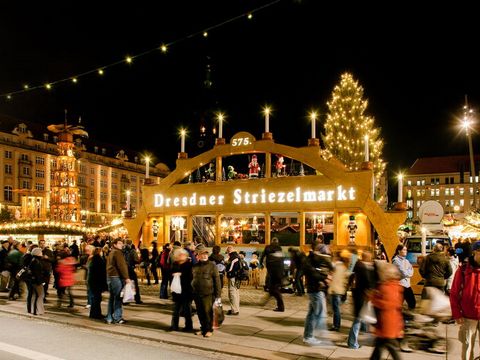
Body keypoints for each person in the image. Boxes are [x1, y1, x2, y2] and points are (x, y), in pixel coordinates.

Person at [450, 240, 480, 360]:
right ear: (475, 252)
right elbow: (454, 293)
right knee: (467, 346)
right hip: (468, 315)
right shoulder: (463, 270)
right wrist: (457, 314)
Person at [369, 263, 404, 360]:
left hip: (388, 322)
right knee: (379, 346)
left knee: (390, 346)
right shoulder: (393, 285)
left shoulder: (388, 287)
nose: (381, 274)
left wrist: (375, 300)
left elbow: (390, 304)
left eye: (383, 272)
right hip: (388, 321)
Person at [302, 243, 333, 346]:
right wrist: (324, 279)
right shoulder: (315, 260)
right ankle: (319, 334)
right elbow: (314, 274)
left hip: (314, 289)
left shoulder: (312, 259)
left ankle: (308, 336)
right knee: (319, 313)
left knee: (312, 314)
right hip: (316, 290)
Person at [347, 250, 376, 349]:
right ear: (366, 257)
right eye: (369, 257)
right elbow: (368, 282)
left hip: (360, 295)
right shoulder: (363, 267)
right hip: (362, 296)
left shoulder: (359, 266)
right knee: (358, 320)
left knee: (361, 318)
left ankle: (363, 333)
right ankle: (352, 343)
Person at [191, 244, 221, 337]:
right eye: (202, 254)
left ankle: (209, 330)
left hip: (208, 294)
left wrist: (218, 296)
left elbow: (217, 281)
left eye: (206, 254)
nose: (204, 256)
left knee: (208, 313)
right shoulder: (195, 266)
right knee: (200, 313)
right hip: (197, 294)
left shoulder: (212, 266)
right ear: (198, 256)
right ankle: (203, 328)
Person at [105, 238, 131, 324]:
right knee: (118, 297)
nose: (121, 245)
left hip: (111, 276)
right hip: (116, 277)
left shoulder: (112, 252)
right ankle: (117, 317)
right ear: (115, 244)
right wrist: (126, 277)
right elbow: (121, 266)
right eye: (119, 243)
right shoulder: (117, 253)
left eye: (122, 243)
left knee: (112, 297)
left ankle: (109, 317)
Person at [169, 248, 193, 332]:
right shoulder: (175, 264)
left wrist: (180, 274)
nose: (180, 256)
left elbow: (190, 277)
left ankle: (189, 327)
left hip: (186, 291)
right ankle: (174, 326)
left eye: (182, 255)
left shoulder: (189, 265)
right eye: (179, 255)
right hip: (177, 291)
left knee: (187, 311)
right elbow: (170, 274)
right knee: (176, 310)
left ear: (185, 256)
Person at [328, 252, 349, 331]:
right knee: (336, 308)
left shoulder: (335, 266)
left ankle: (336, 325)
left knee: (336, 309)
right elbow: (346, 279)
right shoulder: (344, 267)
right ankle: (336, 324)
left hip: (335, 290)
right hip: (340, 290)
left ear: (336, 258)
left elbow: (331, 278)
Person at [392, 244, 416, 311]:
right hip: (401, 284)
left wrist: (408, 273)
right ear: (399, 251)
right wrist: (408, 273)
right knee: (403, 303)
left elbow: (411, 270)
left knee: (410, 302)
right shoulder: (396, 261)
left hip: (407, 284)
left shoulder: (406, 261)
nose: (406, 251)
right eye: (404, 250)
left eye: (406, 250)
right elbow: (403, 272)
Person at [87, 247, 107, 319]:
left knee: (95, 298)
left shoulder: (93, 259)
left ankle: (93, 313)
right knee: (97, 298)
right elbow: (101, 272)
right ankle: (96, 314)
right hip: (97, 282)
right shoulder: (98, 260)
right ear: (99, 252)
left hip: (92, 281)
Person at [266, 240, 285, 312]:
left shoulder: (274, 258)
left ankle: (281, 307)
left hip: (275, 277)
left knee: (274, 291)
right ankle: (280, 306)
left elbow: (273, 268)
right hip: (278, 276)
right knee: (274, 290)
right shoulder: (280, 257)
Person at [225, 245, 240, 315]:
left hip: (232, 277)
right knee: (236, 293)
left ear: (228, 251)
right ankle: (236, 308)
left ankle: (234, 310)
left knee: (232, 293)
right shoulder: (238, 256)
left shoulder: (232, 257)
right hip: (237, 277)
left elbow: (229, 269)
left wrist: (226, 266)